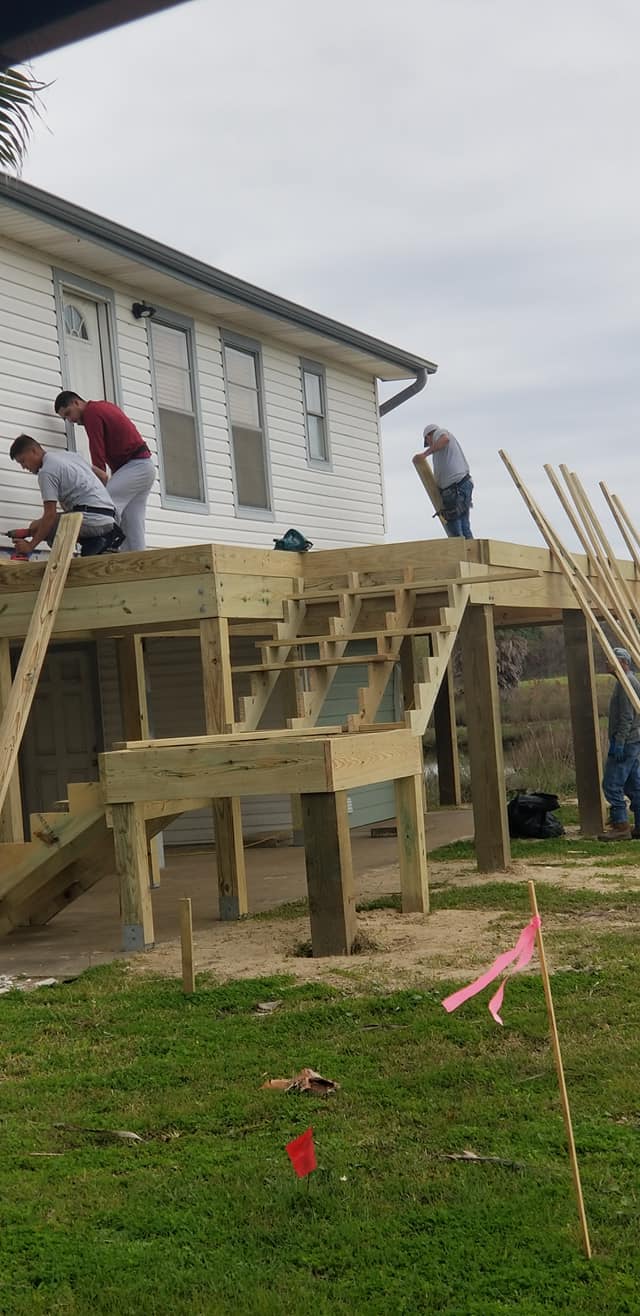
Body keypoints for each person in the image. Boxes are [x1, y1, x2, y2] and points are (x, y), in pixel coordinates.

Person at [54, 391, 155, 552]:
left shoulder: (92, 413)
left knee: (104, 506)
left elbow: (96, 447)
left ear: (76, 403)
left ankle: (103, 547)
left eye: (68, 414)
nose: (71, 420)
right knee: (133, 521)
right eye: (66, 418)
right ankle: (138, 560)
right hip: (143, 467)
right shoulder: (104, 407)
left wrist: (97, 481)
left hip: (134, 466)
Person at [8, 434, 120, 557]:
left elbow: (49, 516)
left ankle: (63, 562)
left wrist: (30, 546)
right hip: (111, 519)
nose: (24, 467)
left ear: (34, 451)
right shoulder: (69, 456)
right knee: (40, 527)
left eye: (23, 461)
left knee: (40, 527)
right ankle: (95, 542)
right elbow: (103, 476)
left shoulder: (47, 472)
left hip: (92, 521)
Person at [599, 646, 640, 841]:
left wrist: (620, 742)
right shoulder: (628, 681)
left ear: (623, 663)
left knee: (611, 785)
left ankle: (621, 826)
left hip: (627, 742)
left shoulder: (626, 684)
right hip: (634, 741)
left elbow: (627, 717)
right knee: (634, 786)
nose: (607, 663)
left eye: (611, 660)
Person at [416, 423, 474, 539]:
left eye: (428, 442)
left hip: (456, 488)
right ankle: (470, 554)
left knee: (455, 530)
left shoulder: (439, 433)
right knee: (463, 526)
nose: (429, 445)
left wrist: (425, 454)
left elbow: (445, 439)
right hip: (459, 486)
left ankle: (463, 554)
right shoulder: (441, 452)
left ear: (428, 436)